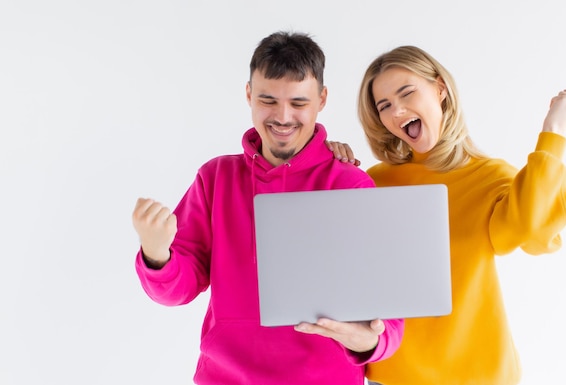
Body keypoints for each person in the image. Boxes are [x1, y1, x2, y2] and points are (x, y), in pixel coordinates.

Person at [131, 31, 404, 385]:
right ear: (248, 94)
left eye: (299, 102)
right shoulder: (216, 178)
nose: (283, 116)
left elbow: (390, 304)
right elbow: (178, 288)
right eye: (268, 100)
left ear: (322, 99)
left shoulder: (349, 185)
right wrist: (157, 255)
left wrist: (373, 341)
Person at [329, 45, 566, 385]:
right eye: (384, 106)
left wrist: (553, 133)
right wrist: (326, 162)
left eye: (407, 93)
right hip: (393, 374)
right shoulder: (374, 182)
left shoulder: (491, 177)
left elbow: (531, 231)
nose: (397, 111)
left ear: (440, 88)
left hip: (478, 374)